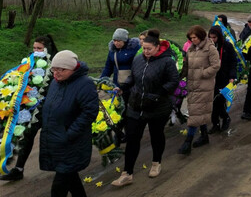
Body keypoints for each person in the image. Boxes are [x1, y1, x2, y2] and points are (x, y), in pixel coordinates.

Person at [111, 29, 179, 187]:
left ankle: (156, 163)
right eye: (144, 48)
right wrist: (123, 87)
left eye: (149, 49)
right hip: (136, 105)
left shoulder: (167, 61)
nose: (146, 51)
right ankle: (127, 173)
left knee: (156, 136)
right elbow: (132, 77)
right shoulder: (138, 60)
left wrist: (159, 94)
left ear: (157, 47)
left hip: (158, 107)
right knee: (132, 139)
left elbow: (173, 81)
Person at [39, 50, 99, 196]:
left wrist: (69, 133)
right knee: (70, 177)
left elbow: (89, 112)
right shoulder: (55, 82)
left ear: (73, 69)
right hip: (55, 139)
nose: (56, 73)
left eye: (62, 69)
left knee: (60, 185)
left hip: (72, 142)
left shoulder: (85, 84)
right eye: (54, 69)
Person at [1, 35, 58, 182]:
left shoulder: (55, 63)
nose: (36, 51)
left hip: (50, 108)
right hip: (32, 108)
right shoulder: (29, 63)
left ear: (47, 48)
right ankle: (18, 169)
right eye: (34, 48)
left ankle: (64, 168)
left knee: (53, 138)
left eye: (39, 48)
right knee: (27, 136)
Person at [177, 25, 221, 155]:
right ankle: (204, 136)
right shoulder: (191, 49)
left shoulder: (210, 48)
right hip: (192, 85)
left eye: (194, 38)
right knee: (199, 111)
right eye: (191, 38)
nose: (192, 40)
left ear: (201, 36)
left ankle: (187, 142)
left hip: (204, 86)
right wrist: (179, 75)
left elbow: (216, 65)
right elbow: (188, 66)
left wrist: (202, 74)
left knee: (195, 113)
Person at [207, 26, 237, 133]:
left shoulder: (227, 46)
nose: (212, 40)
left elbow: (233, 61)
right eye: (210, 38)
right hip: (211, 79)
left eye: (214, 37)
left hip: (224, 78)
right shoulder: (208, 47)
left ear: (219, 36)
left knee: (219, 101)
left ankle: (225, 118)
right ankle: (215, 123)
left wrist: (232, 76)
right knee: (213, 102)